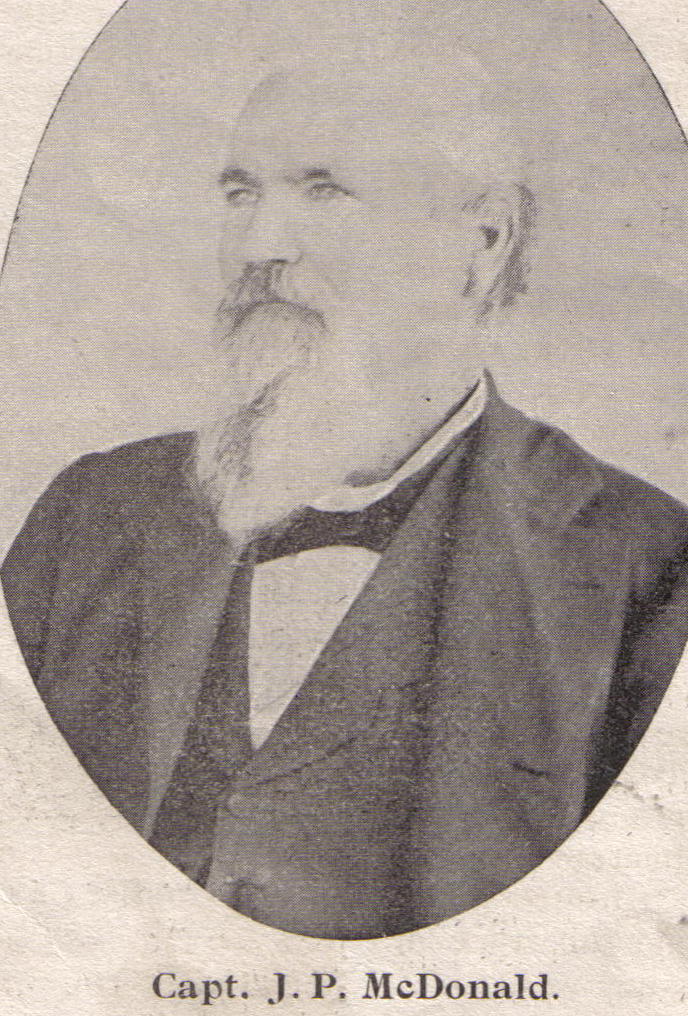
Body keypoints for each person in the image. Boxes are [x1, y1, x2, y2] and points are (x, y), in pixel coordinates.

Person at [3, 56, 688, 940]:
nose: (259, 247)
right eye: (242, 194)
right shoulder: (91, 513)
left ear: (484, 240)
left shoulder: (645, 565)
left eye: (323, 192)